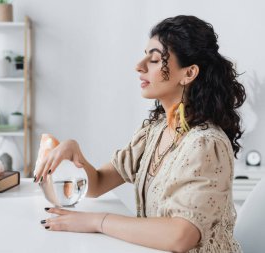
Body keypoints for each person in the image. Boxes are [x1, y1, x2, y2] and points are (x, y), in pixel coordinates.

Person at [33, 15, 246, 253]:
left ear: (189, 73)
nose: (139, 65)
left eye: (154, 59)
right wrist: (74, 151)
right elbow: (99, 184)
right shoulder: (154, 131)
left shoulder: (206, 143)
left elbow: (181, 237)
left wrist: (97, 222)